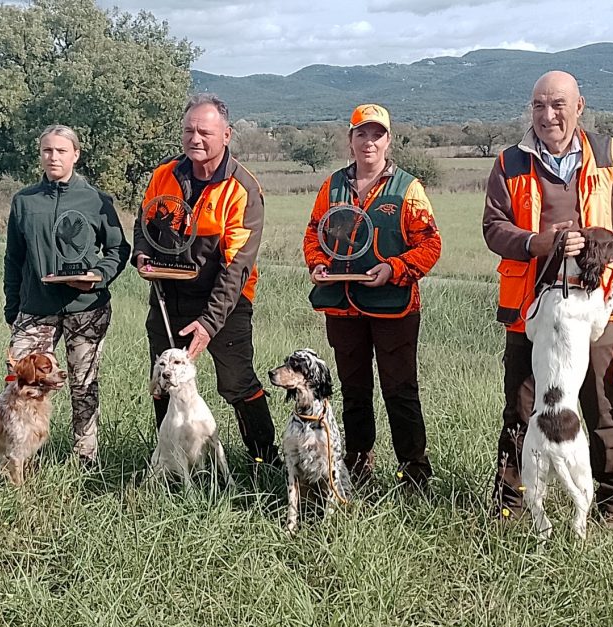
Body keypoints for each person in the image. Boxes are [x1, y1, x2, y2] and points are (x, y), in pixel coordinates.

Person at [482, 71, 613, 529]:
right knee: (522, 408)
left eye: (558, 105)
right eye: (539, 106)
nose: (548, 116)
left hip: (603, 310)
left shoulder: (611, 157)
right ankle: (513, 505)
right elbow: (493, 228)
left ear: (579, 106)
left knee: (602, 407)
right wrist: (537, 243)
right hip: (532, 310)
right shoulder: (510, 163)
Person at [302, 104, 442, 490]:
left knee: (400, 391)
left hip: (394, 307)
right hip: (342, 305)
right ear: (350, 140)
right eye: (361, 133)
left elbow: (430, 245)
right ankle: (358, 463)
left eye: (376, 134)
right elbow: (314, 231)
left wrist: (394, 269)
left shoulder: (408, 189)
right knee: (354, 390)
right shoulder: (332, 186)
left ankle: (414, 471)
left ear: (388, 140)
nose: (369, 141)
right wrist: (316, 263)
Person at [132, 93, 277, 466]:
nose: (195, 138)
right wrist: (142, 252)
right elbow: (143, 223)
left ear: (226, 135)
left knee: (236, 382)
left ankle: (263, 460)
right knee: (165, 379)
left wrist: (209, 324)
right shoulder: (164, 174)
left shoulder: (242, 188)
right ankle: (171, 461)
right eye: (189, 130)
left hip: (225, 302)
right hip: (169, 297)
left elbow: (237, 267)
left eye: (205, 132)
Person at [4, 124, 130, 463]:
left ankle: (85, 458)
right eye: (48, 150)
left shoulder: (96, 201)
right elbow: (14, 258)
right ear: (40, 154)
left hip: (86, 309)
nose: (53, 156)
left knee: (82, 385)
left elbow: (119, 249)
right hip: (36, 308)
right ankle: (21, 453)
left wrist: (98, 278)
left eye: (61, 151)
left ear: (76, 154)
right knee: (22, 380)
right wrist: (13, 307)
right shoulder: (25, 202)